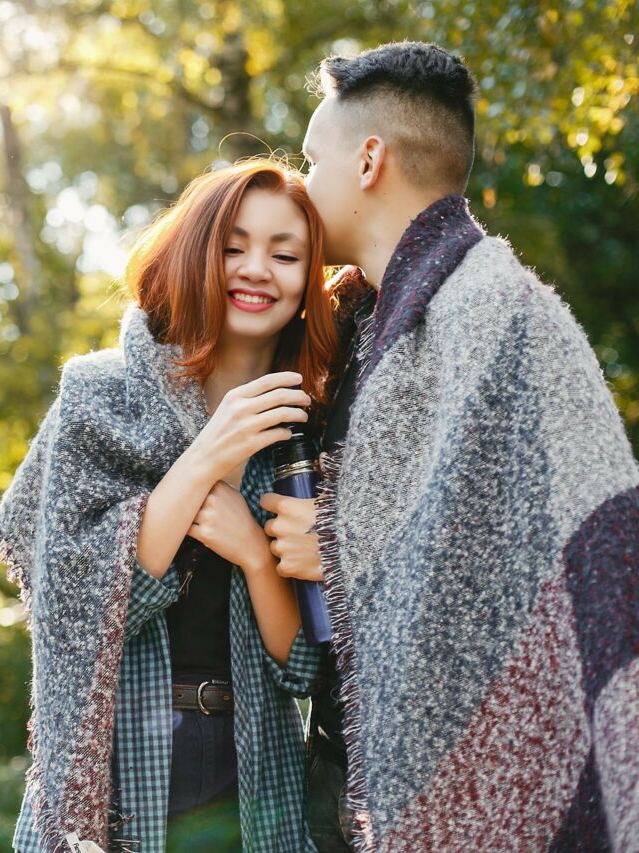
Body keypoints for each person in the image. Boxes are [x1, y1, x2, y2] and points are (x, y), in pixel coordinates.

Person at [261, 41, 639, 851]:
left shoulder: (507, 317)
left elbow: (580, 563)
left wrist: (341, 547)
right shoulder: (354, 326)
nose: (302, 182)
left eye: (312, 159)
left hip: (472, 788)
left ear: (369, 160)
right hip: (340, 775)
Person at [0, 159, 337, 852]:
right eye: (234, 247)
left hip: (258, 782)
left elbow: (306, 667)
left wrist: (255, 555)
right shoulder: (98, 396)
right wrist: (207, 454)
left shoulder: (312, 434)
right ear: (196, 255)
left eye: (285, 255)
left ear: (309, 280)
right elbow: (81, 605)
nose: (257, 270)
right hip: (118, 771)